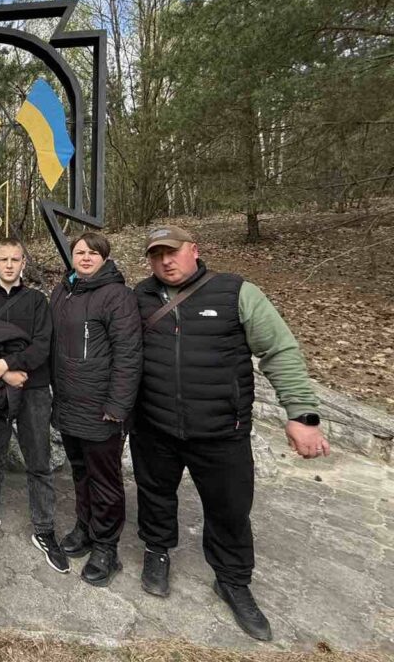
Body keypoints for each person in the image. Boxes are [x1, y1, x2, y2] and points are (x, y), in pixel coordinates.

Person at [133, 225, 330, 642]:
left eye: (172, 252)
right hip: (154, 424)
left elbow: (278, 349)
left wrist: (302, 414)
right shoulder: (140, 296)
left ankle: (232, 581)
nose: (165, 261)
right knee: (154, 494)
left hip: (221, 429)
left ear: (194, 250)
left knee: (229, 509)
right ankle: (157, 551)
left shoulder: (236, 293)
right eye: (156, 255)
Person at [0, 239, 66, 571]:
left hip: (33, 387)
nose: (9, 265)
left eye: (15, 259)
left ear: (23, 263)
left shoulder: (37, 301)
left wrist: (9, 363)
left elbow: (42, 344)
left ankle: (44, 528)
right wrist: (4, 372)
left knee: (39, 459)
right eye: (3, 259)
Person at [49, 231, 142, 587]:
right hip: (69, 402)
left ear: (104, 258)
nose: (85, 257)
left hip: (101, 408)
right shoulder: (63, 291)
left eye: (93, 253)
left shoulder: (117, 296)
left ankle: (106, 545)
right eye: (80, 252)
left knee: (104, 479)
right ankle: (85, 527)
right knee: (79, 471)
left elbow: (129, 354)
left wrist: (118, 405)